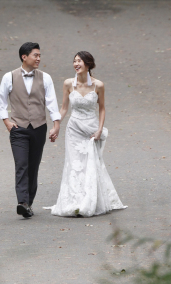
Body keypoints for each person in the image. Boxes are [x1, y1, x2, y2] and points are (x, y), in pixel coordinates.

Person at [47, 51, 126, 218]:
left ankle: (92, 199)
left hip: (91, 128)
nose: (76, 64)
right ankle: (74, 201)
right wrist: (56, 126)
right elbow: (63, 108)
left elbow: (102, 108)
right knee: (74, 165)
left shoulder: (99, 85)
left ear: (88, 64)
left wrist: (99, 129)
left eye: (80, 61)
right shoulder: (68, 83)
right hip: (74, 128)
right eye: (74, 61)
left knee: (92, 163)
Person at [0, 42, 60, 219]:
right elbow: (1, 101)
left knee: (33, 166)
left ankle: (28, 203)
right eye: (35, 55)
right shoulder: (9, 77)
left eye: (40, 55)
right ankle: (22, 202)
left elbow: (51, 102)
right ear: (24, 57)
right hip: (18, 128)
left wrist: (56, 124)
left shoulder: (45, 78)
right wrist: (7, 122)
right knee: (21, 164)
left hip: (39, 127)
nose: (39, 58)